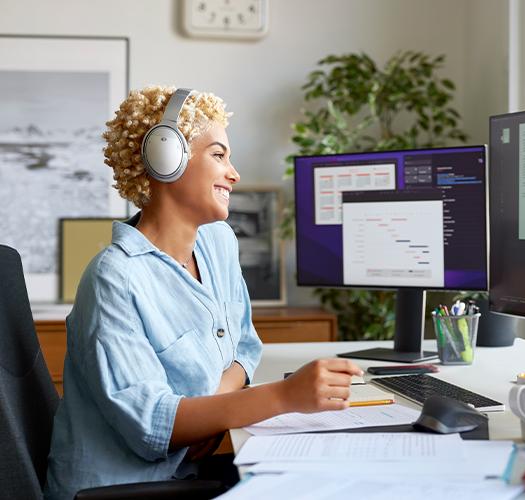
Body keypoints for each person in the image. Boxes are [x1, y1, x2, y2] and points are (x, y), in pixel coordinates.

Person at [45, 86, 363, 500]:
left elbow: (245, 346)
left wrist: (207, 414)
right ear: (166, 158)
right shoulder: (115, 278)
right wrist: (285, 396)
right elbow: (151, 426)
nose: (234, 173)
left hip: (186, 474)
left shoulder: (218, 242)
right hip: (121, 490)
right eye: (219, 155)